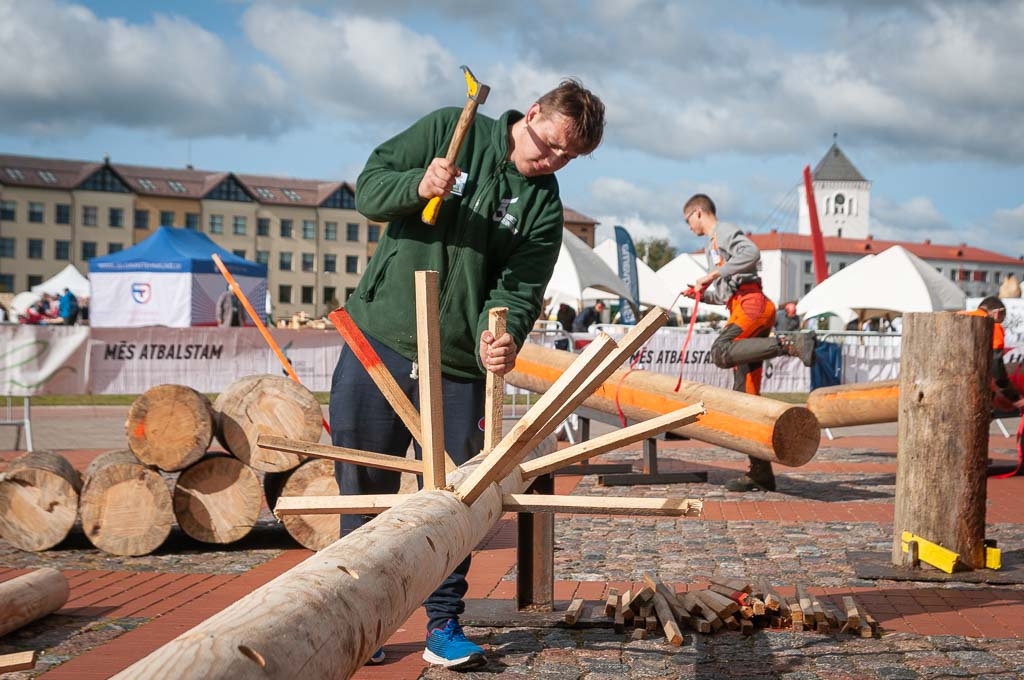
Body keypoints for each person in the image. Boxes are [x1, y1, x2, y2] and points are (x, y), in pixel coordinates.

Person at [329, 78, 605, 670]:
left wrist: (499, 334)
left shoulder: (543, 206)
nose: (551, 161)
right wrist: (417, 185)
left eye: (567, 158)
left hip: (457, 364)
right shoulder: (448, 130)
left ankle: (444, 624)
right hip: (379, 337)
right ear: (529, 114)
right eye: (549, 144)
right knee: (362, 485)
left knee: (458, 495)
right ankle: (361, 615)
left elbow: (520, 287)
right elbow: (370, 192)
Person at [682, 193, 816, 493]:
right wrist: (702, 293)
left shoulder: (723, 233)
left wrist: (714, 273)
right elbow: (728, 289)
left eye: (688, 219)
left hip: (752, 307)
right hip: (743, 304)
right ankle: (760, 472)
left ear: (698, 212)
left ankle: (789, 343)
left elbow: (752, 253)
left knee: (720, 351)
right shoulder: (713, 244)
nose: (689, 226)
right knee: (746, 399)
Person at [962, 297, 1024, 412]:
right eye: (1001, 319)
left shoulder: (960, 316)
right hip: (970, 390)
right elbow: (996, 365)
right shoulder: (992, 325)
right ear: (997, 313)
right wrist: (1012, 396)